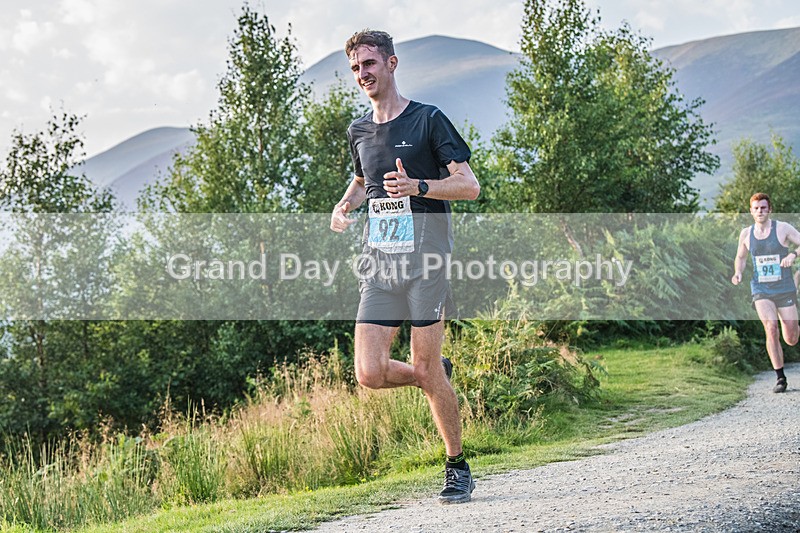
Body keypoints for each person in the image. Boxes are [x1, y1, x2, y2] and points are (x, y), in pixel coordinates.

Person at [330, 29, 480, 503]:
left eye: (369, 64)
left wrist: (418, 187)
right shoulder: (358, 131)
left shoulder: (429, 120)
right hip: (380, 263)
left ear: (391, 64)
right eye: (355, 68)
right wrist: (344, 205)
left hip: (426, 263)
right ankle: (434, 375)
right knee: (370, 373)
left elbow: (470, 186)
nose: (363, 74)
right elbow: (362, 181)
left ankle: (457, 465)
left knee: (424, 364)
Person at [732, 192, 800, 393]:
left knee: (791, 338)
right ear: (751, 211)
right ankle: (780, 378)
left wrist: (792, 254)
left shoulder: (782, 228)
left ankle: (797, 278)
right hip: (761, 288)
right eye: (756, 208)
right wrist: (738, 272)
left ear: (770, 209)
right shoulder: (746, 234)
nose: (760, 211)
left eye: (763, 207)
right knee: (770, 327)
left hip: (785, 288)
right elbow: (741, 257)